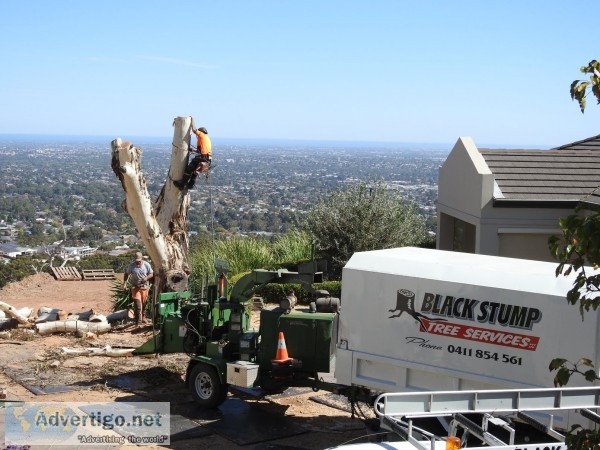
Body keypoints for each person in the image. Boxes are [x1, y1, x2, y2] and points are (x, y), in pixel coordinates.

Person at [174, 118, 212, 190]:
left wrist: (192, 119)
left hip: (202, 158)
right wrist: (191, 150)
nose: (197, 136)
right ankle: (190, 185)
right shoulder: (207, 139)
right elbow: (201, 151)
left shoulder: (202, 135)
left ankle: (182, 184)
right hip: (207, 160)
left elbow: (194, 129)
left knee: (189, 168)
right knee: (195, 171)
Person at [123, 251, 154, 326]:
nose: (138, 263)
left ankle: (143, 317)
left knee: (143, 304)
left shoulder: (146, 265)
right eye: (136, 261)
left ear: (142, 259)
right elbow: (126, 274)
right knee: (138, 305)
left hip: (145, 288)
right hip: (135, 288)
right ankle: (138, 322)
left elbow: (151, 274)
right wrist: (124, 283)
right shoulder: (131, 266)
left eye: (139, 261)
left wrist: (146, 278)